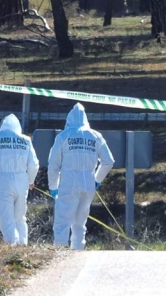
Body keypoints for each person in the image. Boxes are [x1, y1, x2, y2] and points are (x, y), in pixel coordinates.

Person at [48, 103, 115, 250]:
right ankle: (77, 254)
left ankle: (60, 255)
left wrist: (53, 187)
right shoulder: (96, 136)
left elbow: (53, 165)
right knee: (80, 223)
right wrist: (97, 180)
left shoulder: (63, 136)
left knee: (62, 222)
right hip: (88, 184)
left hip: (68, 184)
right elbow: (108, 161)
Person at [0, 114, 39, 245]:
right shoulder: (26, 140)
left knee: (7, 219)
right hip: (22, 181)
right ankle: (22, 245)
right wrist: (31, 181)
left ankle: (12, 247)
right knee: (20, 218)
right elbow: (34, 164)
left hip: (2, 181)